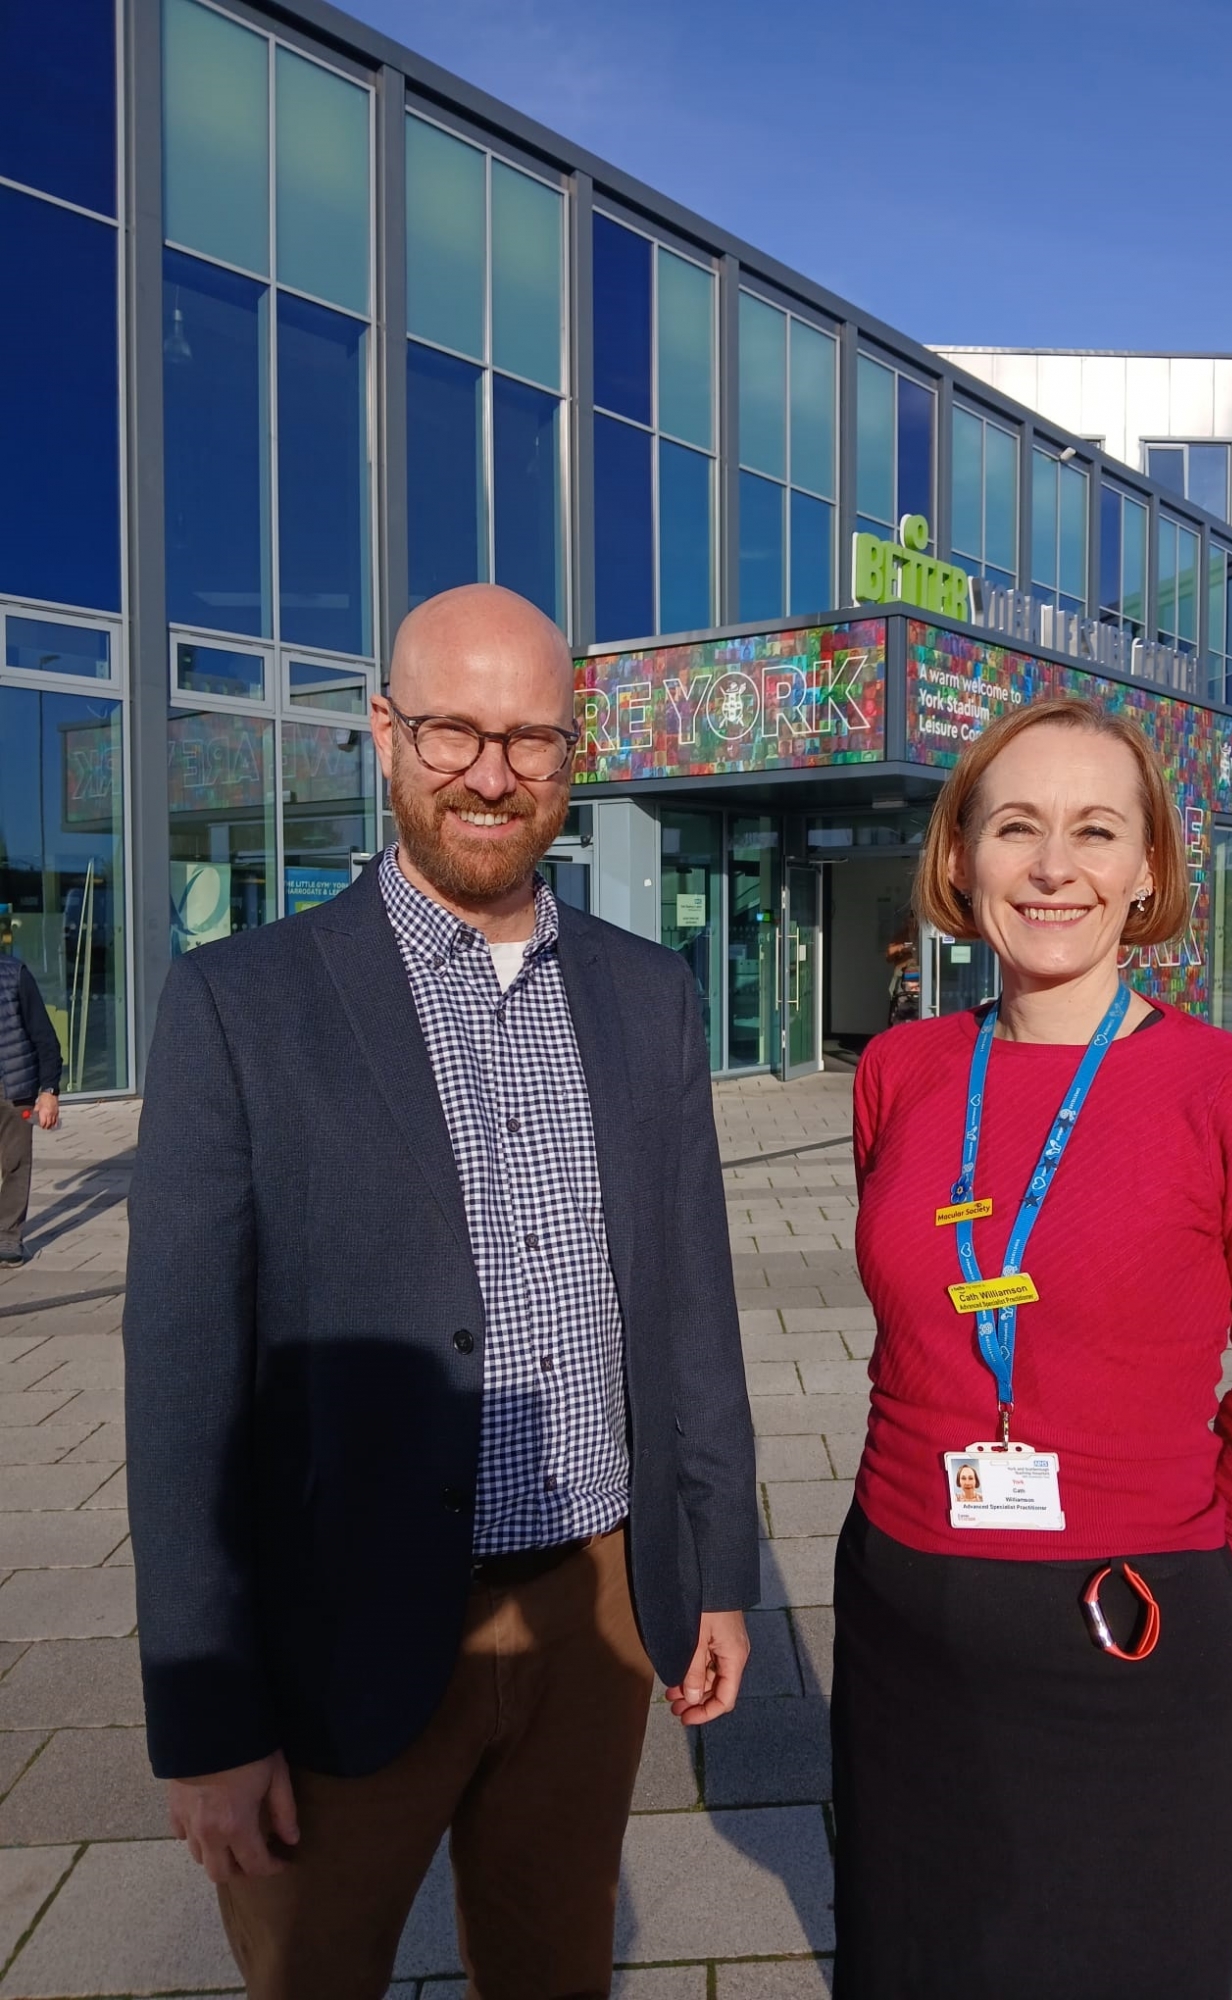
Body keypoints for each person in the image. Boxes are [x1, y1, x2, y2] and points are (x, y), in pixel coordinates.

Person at [124, 584, 760, 2000]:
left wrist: (716, 1569)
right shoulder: (241, 1005)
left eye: (528, 737)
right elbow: (181, 1388)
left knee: (555, 1972)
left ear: (570, 749)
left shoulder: (648, 994)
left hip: (593, 1611)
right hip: (338, 1624)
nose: (490, 771)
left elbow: (687, 1309)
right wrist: (206, 1717)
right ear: (384, 731)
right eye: (452, 731)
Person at [832, 698, 1232, 2000]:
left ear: (1148, 873)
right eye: (1016, 827)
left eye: (1095, 831)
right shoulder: (900, 1070)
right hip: (902, 1612)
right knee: (912, 1958)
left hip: (1124, 1629)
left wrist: (1177, 1535)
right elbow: (929, 1316)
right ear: (960, 859)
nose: (1054, 866)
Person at [0, 955, 63, 1265]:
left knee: (15, 1164)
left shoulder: (15, 974)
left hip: (12, 1089)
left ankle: (7, 1237)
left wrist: (49, 1091)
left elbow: (45, 1037)